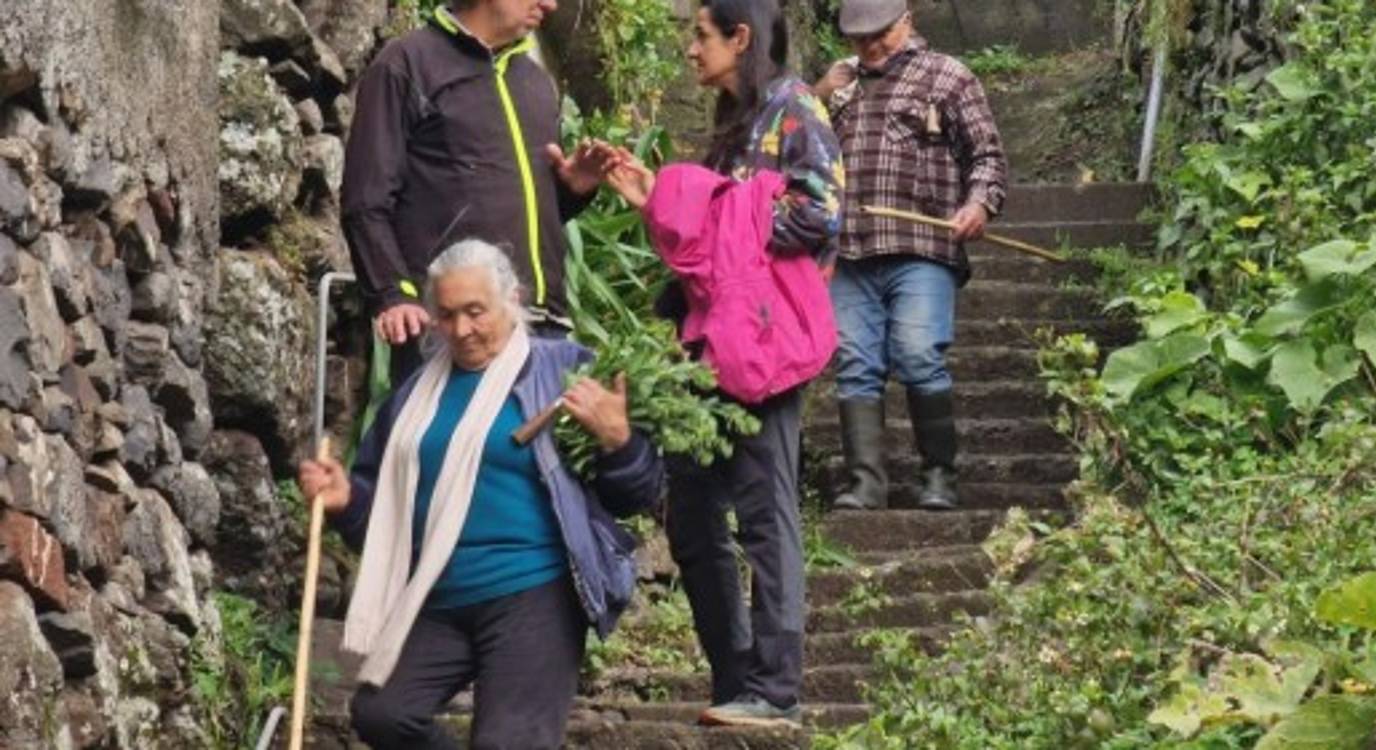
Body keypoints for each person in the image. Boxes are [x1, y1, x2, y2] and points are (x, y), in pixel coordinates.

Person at [297, 239, 663, 749]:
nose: (461, 330)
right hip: (438, 594)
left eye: (475, 311)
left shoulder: (565, 371)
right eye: (446, 315)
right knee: (384, 714)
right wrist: (345, 501)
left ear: (511, 299)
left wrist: (619, 441)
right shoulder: (414, 395)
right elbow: (380, 512)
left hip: (534, 590)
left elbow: (637, 493)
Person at [602, 0, 844, 727]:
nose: (688, 49)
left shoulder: (795, 108)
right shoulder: (732, 123)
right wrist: (658, 201)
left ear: (740, 37)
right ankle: (733, 678)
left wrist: (706, 207)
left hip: (763, 347)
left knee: (766, 516)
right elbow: (709, 245)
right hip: (707, 346)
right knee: (693, 516)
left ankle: (775, 689)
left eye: (699, 34)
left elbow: (818, 214)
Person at [341, 0, 617, 385]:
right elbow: (366, 197)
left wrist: (573, 189)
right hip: (455, 329)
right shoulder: (406, 64)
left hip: (543, 327)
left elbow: (519, 207)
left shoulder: (536, 83)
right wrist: (392, 292)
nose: (550, 4)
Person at [813, 0, 1008, 511]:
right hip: (850, 251)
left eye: (880, 35)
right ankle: (865, 484)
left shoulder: (948, 76)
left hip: (923, 247)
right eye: (859, 39)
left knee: (919, 353)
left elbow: (986, 156)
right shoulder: (840, 86)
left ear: (907, 20)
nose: (870, 48)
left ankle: (940, 477)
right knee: (855, 362)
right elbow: (798, 150)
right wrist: (818, 96)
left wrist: (978, 203)